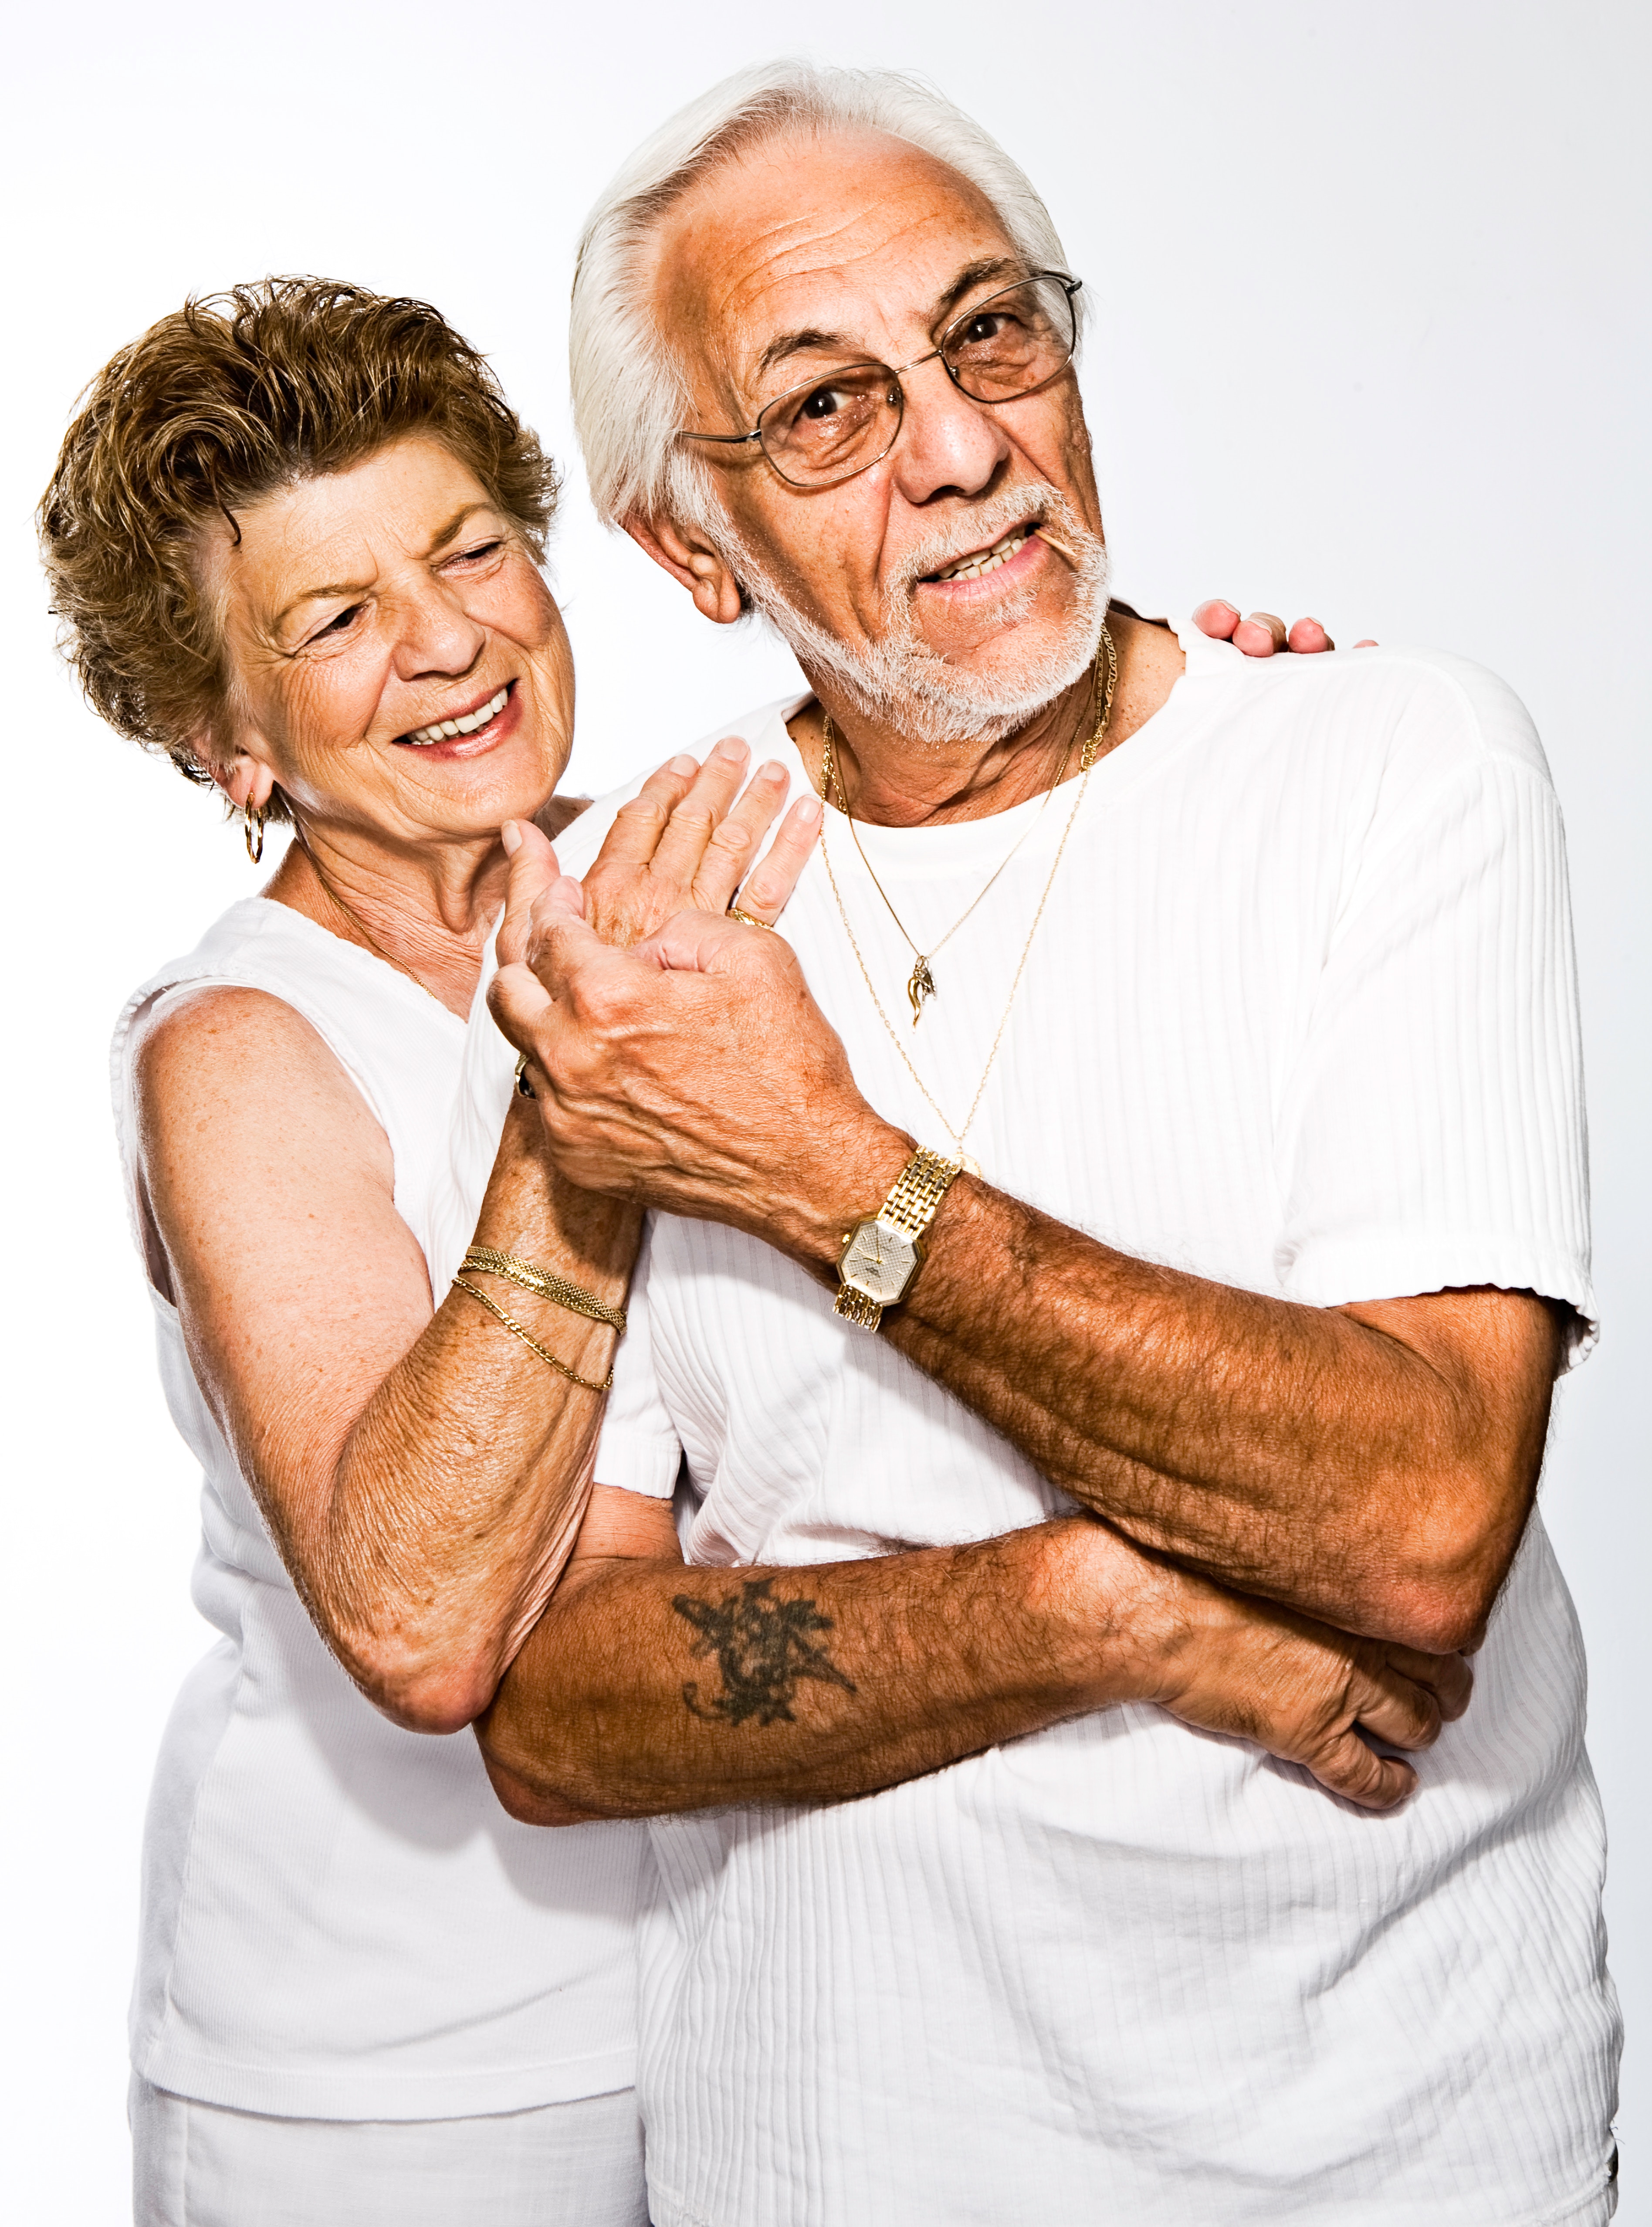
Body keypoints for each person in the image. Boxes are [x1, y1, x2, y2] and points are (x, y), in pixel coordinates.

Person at [42, 278, 1340, 2223]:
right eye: (331, 620)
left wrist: (1206, 734)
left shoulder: (686, 863)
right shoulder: (240, 1048)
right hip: (389, 2089)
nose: (447, 638)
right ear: (227, 738)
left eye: (469, 549)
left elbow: (1016, 903)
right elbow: (422, 1627)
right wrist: (591, 1113)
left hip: (772, 2002)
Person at [469, 62, 1622, 2227]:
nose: (963, 445)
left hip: (1400, 2159)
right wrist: (1097, 1607)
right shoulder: (621, 932)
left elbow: (1422, 1519)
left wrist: (817, 1168)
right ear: (685, 547)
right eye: (823, 405)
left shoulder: (1392, 764)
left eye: (993, 329)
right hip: (837, 2158)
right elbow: (553, 1709)